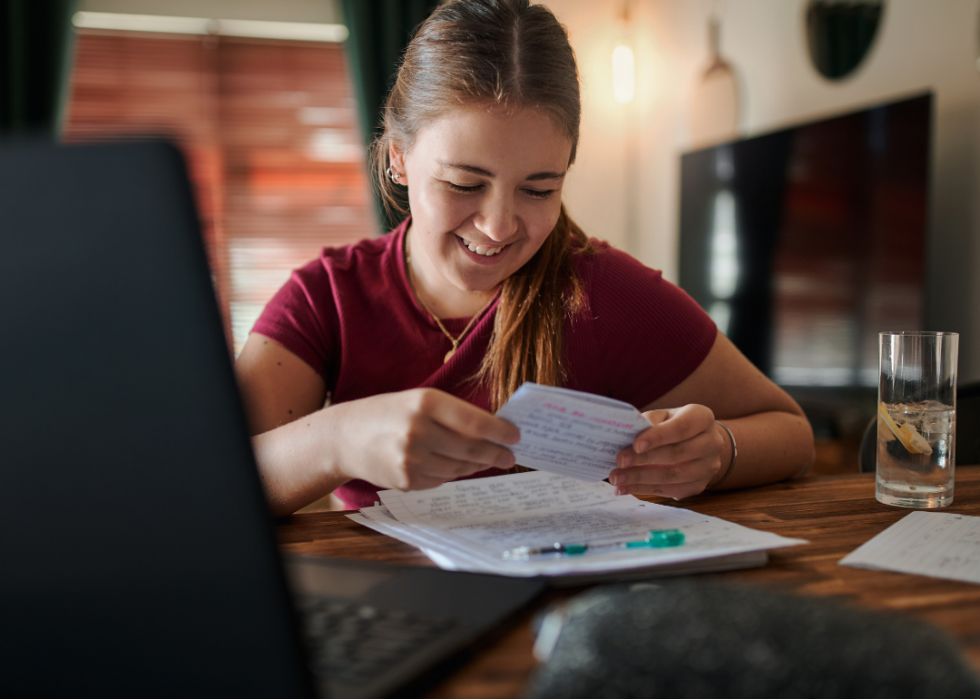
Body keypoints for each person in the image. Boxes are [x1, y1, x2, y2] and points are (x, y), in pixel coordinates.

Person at [234, 0, 815, 517]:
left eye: (539, 190)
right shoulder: (326, 297)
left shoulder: (603, 292)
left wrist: (716, 454)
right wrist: (341, 439)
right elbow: (218, 480)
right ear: (399, 158)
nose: (499, 227)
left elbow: (792, 432)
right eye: (465, 183)